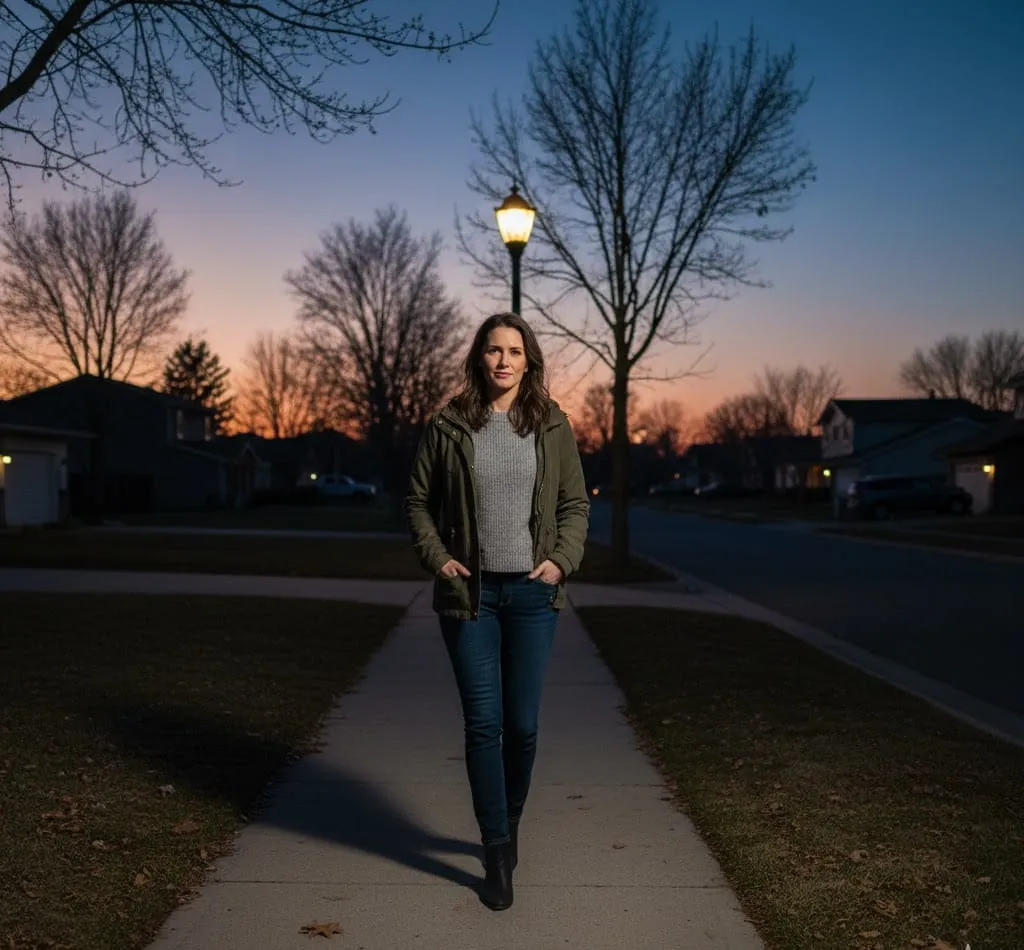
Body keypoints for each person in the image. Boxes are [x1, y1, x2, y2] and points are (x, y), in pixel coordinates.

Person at [405, 311, 590, 911]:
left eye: (514, 350)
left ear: (529, 360)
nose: (504, 360)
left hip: (534, 596)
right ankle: (496, 846)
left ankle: (507, 824)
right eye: (493, 350)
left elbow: (575, 505)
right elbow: (418, 501)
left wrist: (561, 561)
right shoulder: (451, 424)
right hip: (472, 598)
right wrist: (438, 559)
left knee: (523, 727)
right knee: (484, 725)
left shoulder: (553, 424)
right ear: (478, 358)